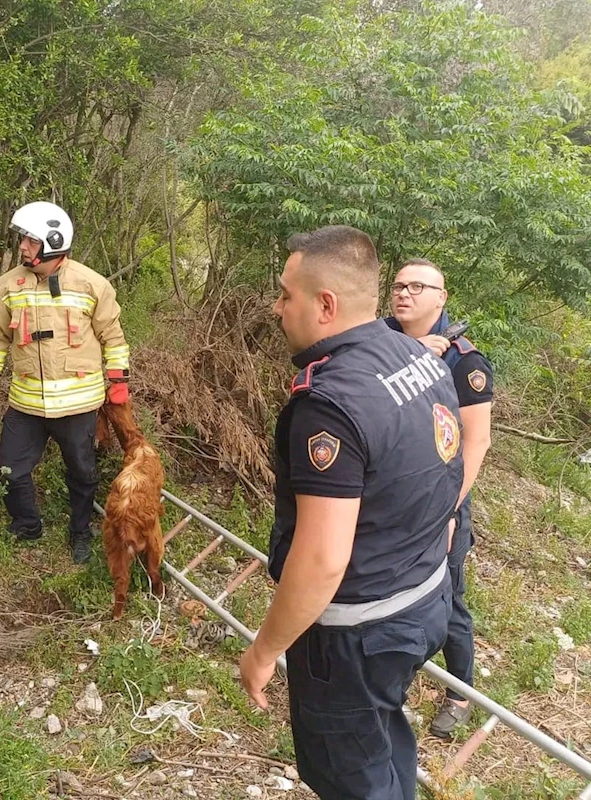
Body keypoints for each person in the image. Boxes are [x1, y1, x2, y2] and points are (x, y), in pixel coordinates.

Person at [239, 226, 463, 800]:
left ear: (326, 305)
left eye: (287, 294)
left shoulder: (329, 403)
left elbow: (321, 558)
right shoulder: (421, 358)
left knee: (350, 778)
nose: (277, 307)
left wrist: (265, 650)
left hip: (356, 636)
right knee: (382, 735)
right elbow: (443, 471)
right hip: (423, 598)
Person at [0, 201, 131, 564]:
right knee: (9, 467)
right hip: (26, 403)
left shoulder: (92, 285)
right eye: (22, 239)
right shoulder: (7, 286)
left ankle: (80, 533)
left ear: (52, 241)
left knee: (82, 471)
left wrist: (118, 379)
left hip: (78, 404)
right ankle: (28, 524)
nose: (22, 247)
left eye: (29, 240)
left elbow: (114, 338)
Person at [386, 258, 493, 738]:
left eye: (416, 286)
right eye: (397, 285)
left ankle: (459, 694)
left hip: (442, 501)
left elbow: (476, 442)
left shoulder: (465, 361)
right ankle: (395, 682)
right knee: (394, 595)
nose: (403, 293)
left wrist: (449, 509)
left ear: (441, 297)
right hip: (390, 497)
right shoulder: (380, 339)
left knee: (447, 599)